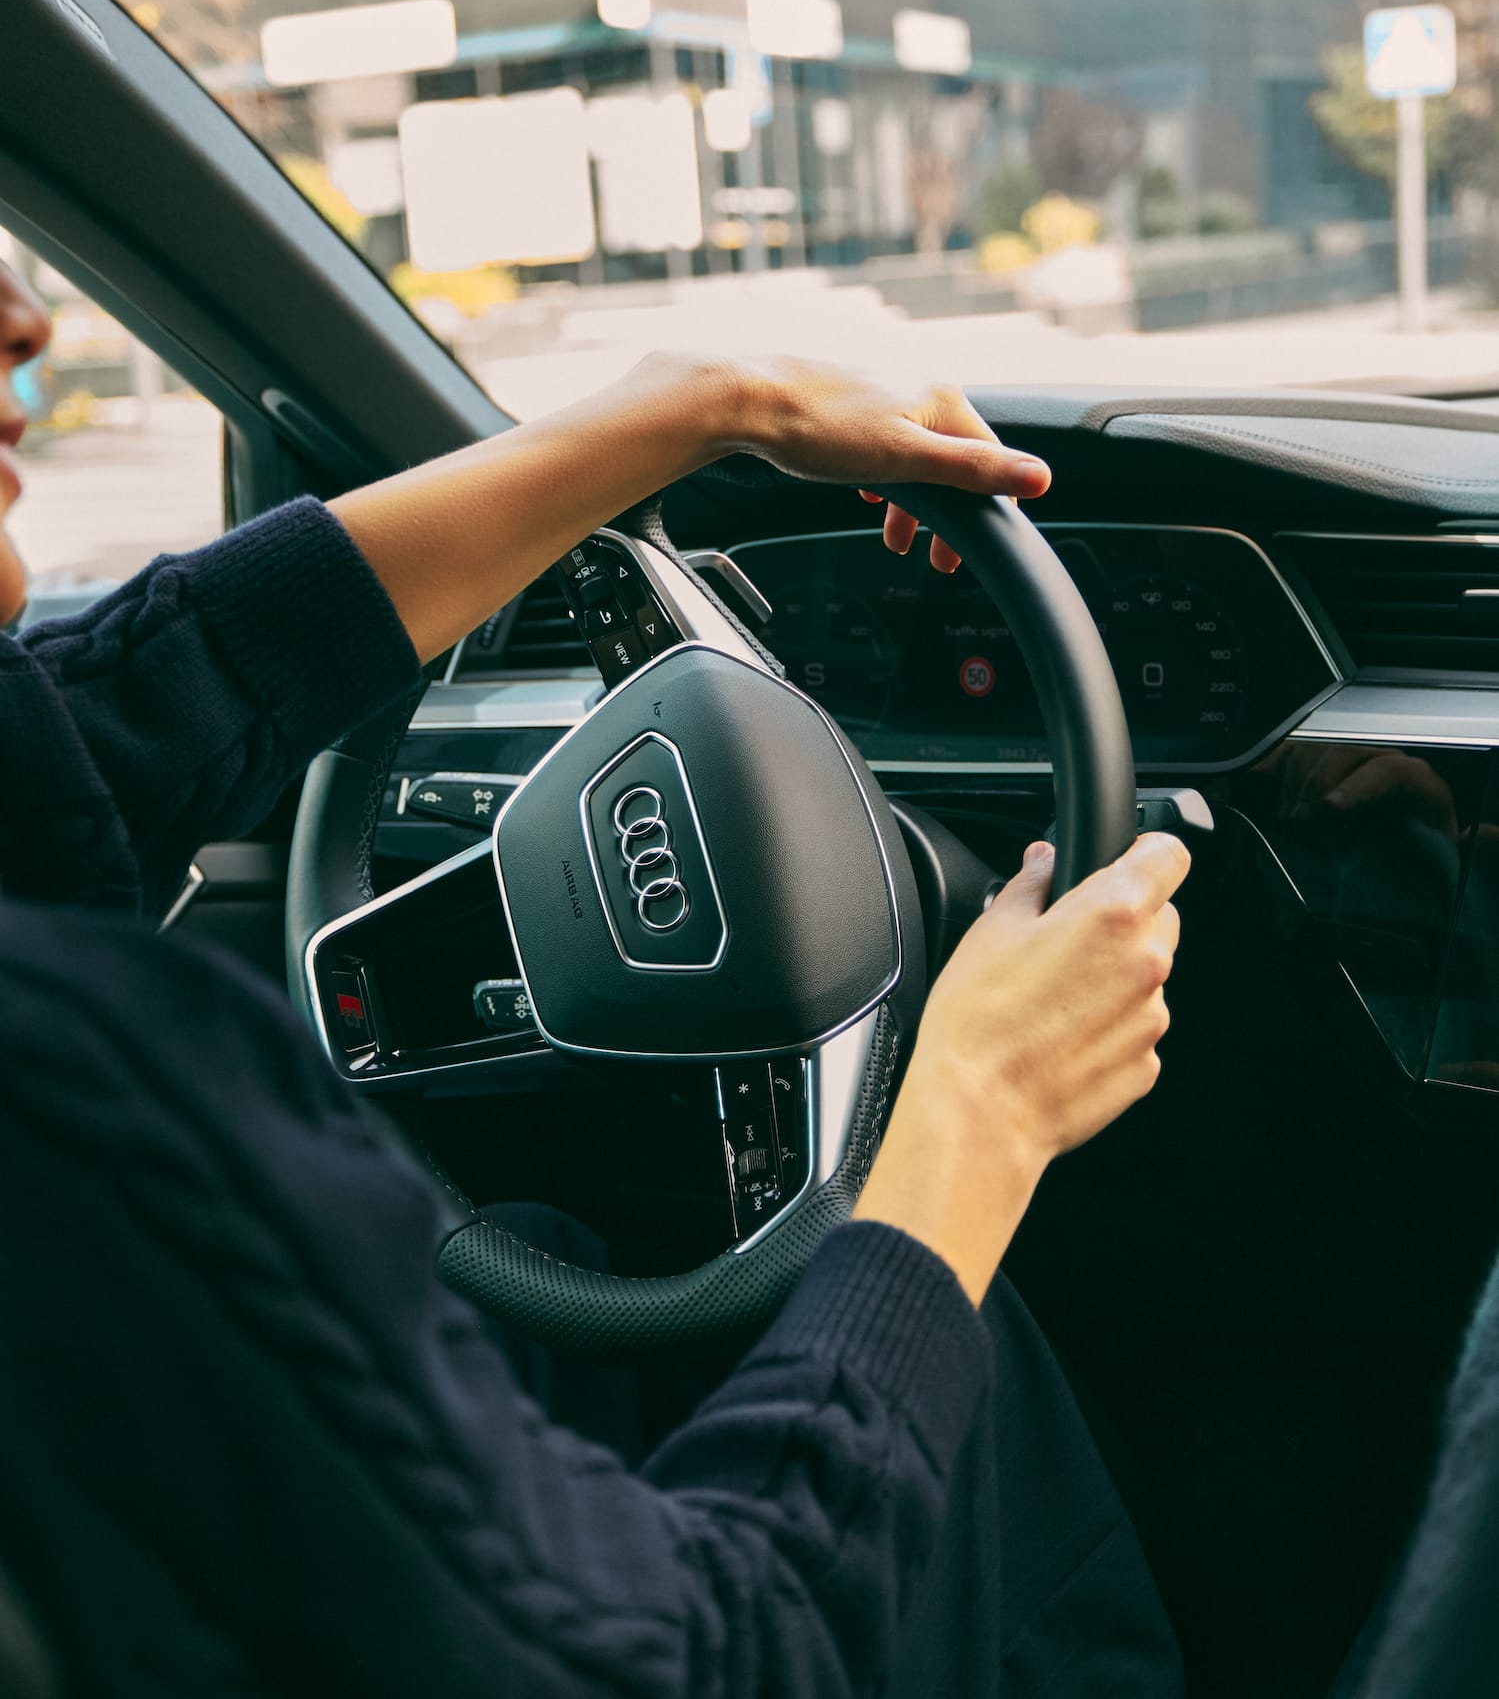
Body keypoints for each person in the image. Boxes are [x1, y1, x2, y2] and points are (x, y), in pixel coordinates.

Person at [0, 244, 1188, 1697]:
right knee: (929, 1322)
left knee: (564, 1257)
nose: (26, 317)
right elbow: (717, 1665)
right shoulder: (79, 1095)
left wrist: (689, 409)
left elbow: (86, 734)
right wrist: (979, 1115)